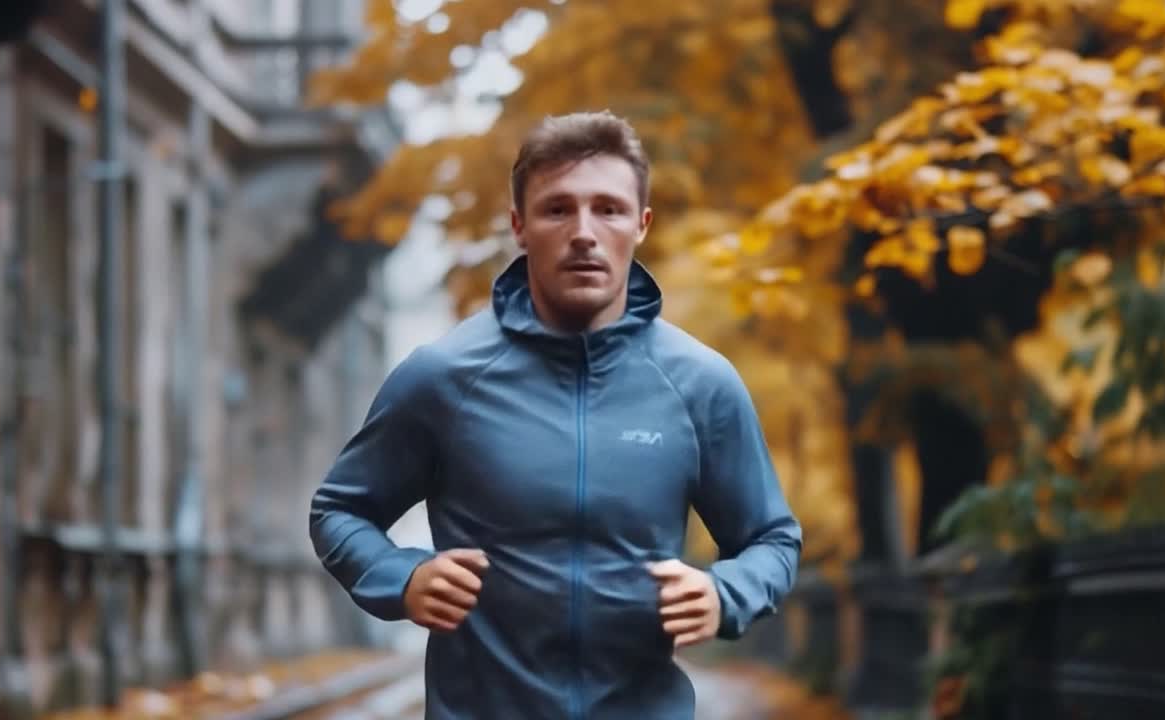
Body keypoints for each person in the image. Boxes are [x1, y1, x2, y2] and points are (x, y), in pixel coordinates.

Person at [309, 111, 802, 719]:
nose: (584, 233)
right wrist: (400, 578)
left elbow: (771, 540)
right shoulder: (443, 376)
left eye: (609, 209)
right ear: (520, 225)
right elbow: (340, 508)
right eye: (557, 209)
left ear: (641, 224)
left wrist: (725, 593)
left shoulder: (700, 384)